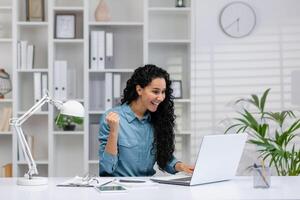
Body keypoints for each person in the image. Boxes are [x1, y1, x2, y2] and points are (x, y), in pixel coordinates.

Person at [99, 64, 194, 176]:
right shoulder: (112, 118)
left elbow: (164, 158)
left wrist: (181, 166)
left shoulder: (158, 119)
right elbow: (107, 167)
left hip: (148, 187)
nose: (161, 97)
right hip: (119, 188)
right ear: (139, 89)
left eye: (163, 92)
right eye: (155, 91)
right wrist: (113, 132)